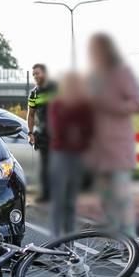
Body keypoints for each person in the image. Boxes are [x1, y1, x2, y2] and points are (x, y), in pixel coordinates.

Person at [86, 33, 139, 238]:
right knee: (105, 198)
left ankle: (129, 243)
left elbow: (137, 104)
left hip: (119, 148)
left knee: (121, 197)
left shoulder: (122, 73)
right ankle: (114, 242)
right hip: (99, 149)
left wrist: (112, 106)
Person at [47, 72, 94, 236]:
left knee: (70, 202)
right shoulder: (59, 104)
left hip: (74, 155)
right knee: (59, 200)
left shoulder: (83, 105)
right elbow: (58, 129)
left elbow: (89, 130)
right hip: (62, 154)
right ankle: (55, 244)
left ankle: (68, 243)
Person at [26, 63, 57, 202]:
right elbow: (31, 114)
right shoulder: (34, 93)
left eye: (37, 73)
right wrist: (30, 133)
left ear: (44, 73)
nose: (35, 76)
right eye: (33, 74)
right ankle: (47, 195)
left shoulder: (55, 88)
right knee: (45, 164)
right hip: (43, 133)